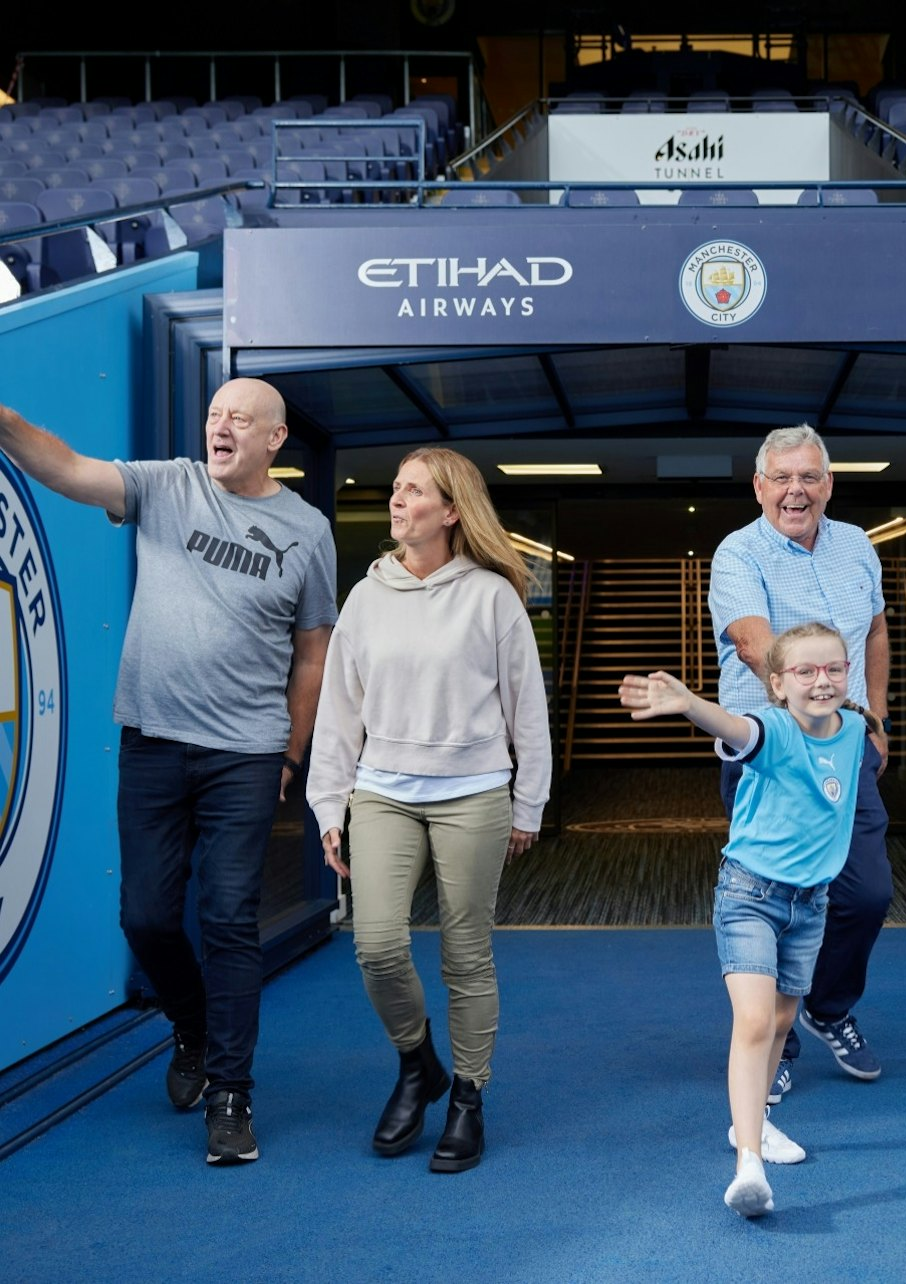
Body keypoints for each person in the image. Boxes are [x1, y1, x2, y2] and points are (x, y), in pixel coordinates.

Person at [0, 379, 337, 1164]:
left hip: (246, 753)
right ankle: (189, 1023)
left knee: (227, 918)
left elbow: (314, 649)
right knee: (147, 918)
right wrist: (8, 421)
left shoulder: (308, 531)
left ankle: (231, 1094)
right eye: (214, 415)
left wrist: (290, 751)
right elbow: (69, 470)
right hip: (153, 740)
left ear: (274, 439)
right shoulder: (166, 485)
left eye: (238, 419)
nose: (219, 428)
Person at [307, 446, 551, 1173]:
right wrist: (327, 802)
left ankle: (469, 1097)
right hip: (381, 789)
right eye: (397, 489)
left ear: (451, 510)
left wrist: (529, 803)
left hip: (473, 792)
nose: (398, 500)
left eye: (415, 491)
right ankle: (419, 1065)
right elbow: (339, 710)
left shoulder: (491, 595)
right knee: (377, 945)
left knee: (464, 955)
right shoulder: (366, 595)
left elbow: (527, 709)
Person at [620, 624, 880, 1218]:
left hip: (810, 904)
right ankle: (749, 1169)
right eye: (806, 672)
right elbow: (737, 728)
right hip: (750, 897)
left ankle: (751, 1126)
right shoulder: (774, 731)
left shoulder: (857, 731)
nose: (822, 681)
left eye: (834, 669)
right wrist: (689, 704)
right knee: (757, 1019)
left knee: (784, 1021)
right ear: (777, 683)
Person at [708, 423, 891, 1102]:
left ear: (829, 484)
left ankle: (827, 1006)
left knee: (866, 892)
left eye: (810, 477)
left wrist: (875, 719)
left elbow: (874, 630)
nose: (796, 491)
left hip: (847, 745)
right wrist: (816, 707)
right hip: (769, 753)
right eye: (781, 478)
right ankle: (775, 1042)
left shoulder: (857, 546)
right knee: (780, 897)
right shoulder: (738, 554)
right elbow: (758, 647)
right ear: (759, 486)